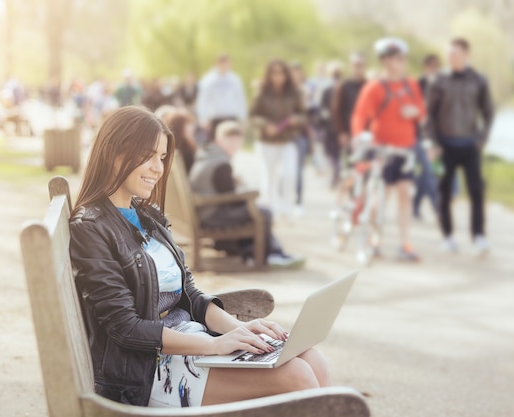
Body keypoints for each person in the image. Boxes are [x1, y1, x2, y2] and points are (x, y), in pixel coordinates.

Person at [69, 106, 330, 408]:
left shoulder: (147, 216)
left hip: (190, 343)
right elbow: (125, 327)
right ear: (114, 152)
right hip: (147, 370)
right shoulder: (90, 227)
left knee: (313, 359)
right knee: (297, 376)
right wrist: (213, 344)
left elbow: (189, 295)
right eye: (148, 155)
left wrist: (239, 329)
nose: (158, 168)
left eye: (162, 158)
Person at [351, 38, 427, 261]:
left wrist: (415, 112)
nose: (401, 63)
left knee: (406, 194)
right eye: (396, 59)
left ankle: (404, 243)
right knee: (380, 198)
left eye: (403, 59)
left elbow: (422, 112)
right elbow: (359, 115)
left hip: (406, 150)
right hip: (382, 150)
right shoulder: (374, 86)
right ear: (385, 61)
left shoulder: (411, 85)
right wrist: (358, 137)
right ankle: (375, 240)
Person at [190, 121, 304, 267]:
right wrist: (248, 196)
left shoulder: (209, 154)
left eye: (237, 142)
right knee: (263, 213)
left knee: (254, 209)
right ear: (219, 140)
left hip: (205, 211)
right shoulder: (221, 163)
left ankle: (255, 251)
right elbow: (230, 199)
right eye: (230, 141)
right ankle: (270, 255)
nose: (234, 146)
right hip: (212, 215)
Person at [426, 38, 494, 256]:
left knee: (476, 191)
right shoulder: (438, 80)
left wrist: (481, 140)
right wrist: (433, 144)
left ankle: (479, 236)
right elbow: (428, 116)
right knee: (444, 192)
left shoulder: (479, 80)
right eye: (448, 53)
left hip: (470, 145)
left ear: (466, 54)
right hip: (443, 147)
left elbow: (489, 112)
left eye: (455, 53)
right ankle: (447, 236)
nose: (450, 57)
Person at [251, 59, 306, 220]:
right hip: (266, 141)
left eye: (281, 72)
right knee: (269, 177)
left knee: (290, 174)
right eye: (274, 73)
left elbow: (303, 115)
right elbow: (253, 116)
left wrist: (296, 119)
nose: (278, 77)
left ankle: (287, 209)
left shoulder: (294, 93)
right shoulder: (262, 92)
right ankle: (270, 211)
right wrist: (266, 125)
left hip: (287, 140)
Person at [412, 54, 442, 220]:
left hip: (436, 135)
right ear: (425, 66)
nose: (434, 68)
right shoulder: (417, 84)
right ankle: (437, 208)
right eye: (431, 65)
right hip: (419, 134)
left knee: (426, 173)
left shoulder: (442, 84)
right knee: (427, 171)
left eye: (436, 65)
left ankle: (415, 206)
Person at [196, 55, 247, 141]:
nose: (225, 66)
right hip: (215, 118)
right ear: (217, 64)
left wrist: (243, 118)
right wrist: (203, 118)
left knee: (231, 143)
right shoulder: (208, 80)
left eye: (227, 64)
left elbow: (240, 99)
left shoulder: (235, 79)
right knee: (215, 144)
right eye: (222, 64)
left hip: (231, 116)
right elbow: (203, 100)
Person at [332, 53, 367, 168]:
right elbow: (336, 110)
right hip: (348, 132)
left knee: (365, 165)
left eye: (361, 65)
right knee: (349, 167)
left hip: (365, 133)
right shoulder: (343, 85)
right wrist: (341, 132)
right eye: (356, 65)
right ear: (351, 65)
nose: (358, 68)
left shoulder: (369, 85)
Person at [289, 61, 314, 214]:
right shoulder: (283, 92)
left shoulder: (305, 90)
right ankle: (284, 198)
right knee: (285, 170)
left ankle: (298, 200)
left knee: (298, 169)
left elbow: (307, 114)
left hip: (300, 134)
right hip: (284, 135)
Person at [318, 62, 344, 188]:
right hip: (332, 126)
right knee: (333, 153)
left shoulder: (335, 87)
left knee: (333, 153)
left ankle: (336, 173)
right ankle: (336, 172)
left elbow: (321, 108)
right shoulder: (328, 88)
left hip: (334, 127)